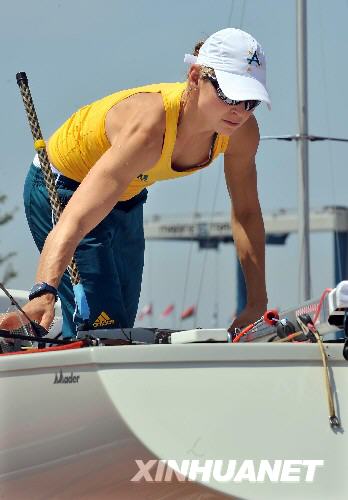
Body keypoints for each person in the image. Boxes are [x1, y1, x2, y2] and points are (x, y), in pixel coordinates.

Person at [2, 27, 271, 338]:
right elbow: (74, 220)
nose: (239, 111)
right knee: (105, 330)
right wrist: (42, 292)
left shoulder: (242, 132)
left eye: (250, 100)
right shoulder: (148, 128)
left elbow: (247, 213)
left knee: (119, 330)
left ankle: (58, 332)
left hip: (127, 197)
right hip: (62, 186)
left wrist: (257, 303)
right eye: (229, 94)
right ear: (195, 77)